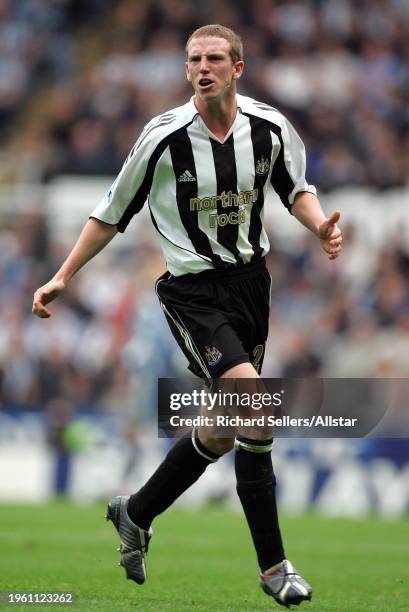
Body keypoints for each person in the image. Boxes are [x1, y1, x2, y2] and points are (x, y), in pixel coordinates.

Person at [32, 24, 342, 608]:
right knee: (256, 406)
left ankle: (137, 511)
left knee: (225, 429)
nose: (203, 67)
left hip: (252, 285)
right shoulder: (163, 137)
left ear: (238, 67)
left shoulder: (270, 127)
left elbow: (295, 188)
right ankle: (274, 567)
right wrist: (63, 276)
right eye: (194, 59)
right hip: (192, 292)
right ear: (187, 69)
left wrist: (319, 224)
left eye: (215, 58)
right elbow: (110, 213)